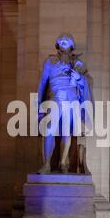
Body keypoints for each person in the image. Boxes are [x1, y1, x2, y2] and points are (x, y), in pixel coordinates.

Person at [37, 33, 93, 174]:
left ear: (72, 45)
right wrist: (37, 102)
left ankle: (63, 163)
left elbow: (88, 82)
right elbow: (42, 83)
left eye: (67, 39)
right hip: (55, 98)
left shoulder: (78, 64)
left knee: (66, 132)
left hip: (72, 99)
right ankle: (47, 164)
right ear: (57, 43)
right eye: (61, 39)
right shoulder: (50, 62)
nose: (64, 40)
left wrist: (79, 78)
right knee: (49, 130)